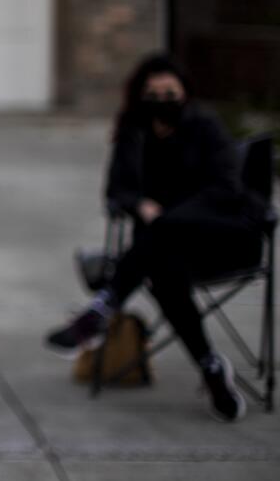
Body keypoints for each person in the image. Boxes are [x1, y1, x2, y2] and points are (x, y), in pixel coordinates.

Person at [44, 53, 269, 422]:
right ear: (140, 95)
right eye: (154, 93)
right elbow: (117, 191)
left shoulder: (206, 126)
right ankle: (211, 367)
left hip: (222, 239)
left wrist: (168, 217)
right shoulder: (134, 131)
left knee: (161, 236)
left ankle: (104, 306)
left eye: (170, 92)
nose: (163, 101)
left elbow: (225, 189)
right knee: (165, 274)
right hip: (165, 251)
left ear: (185, 93)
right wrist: (140, 203)